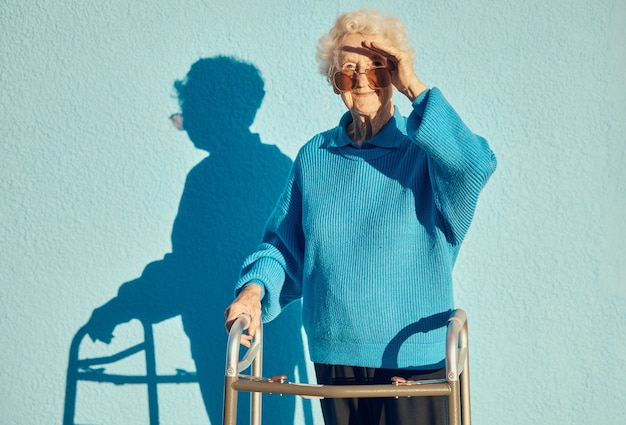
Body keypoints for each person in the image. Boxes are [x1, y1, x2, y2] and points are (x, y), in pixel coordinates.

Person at [224, 8, 497, 425]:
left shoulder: (426, 152)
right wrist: (254, 290)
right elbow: (282, 245)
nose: (365, 82)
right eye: (350, 73)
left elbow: (474, 165)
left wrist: (415, 87)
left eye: (380, 69)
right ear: (336, 84)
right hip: (336, 356)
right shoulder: (315, 156)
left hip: (414, 361)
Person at [83, 56, 307, 425]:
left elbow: (190, 270)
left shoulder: (210, 179)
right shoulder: (279, 167)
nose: (185, 121)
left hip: (226, 340)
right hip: (277, 339)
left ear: (210, 110)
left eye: (188, 108)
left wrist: (119, 308)